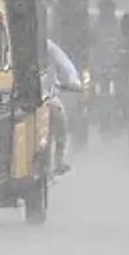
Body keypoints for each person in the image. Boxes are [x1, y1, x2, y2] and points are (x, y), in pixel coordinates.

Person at [47, 38, 82, 175]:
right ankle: (58, 162)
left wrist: (73, 81)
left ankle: (58, 162)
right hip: (38, 99)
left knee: (59, 121)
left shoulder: (46, 46)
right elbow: (65, 65)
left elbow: (65, 65)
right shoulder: (46, 46)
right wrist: (74, 82)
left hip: (42, 100)